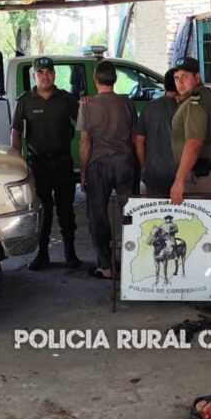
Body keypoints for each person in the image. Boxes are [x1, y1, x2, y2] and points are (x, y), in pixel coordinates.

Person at [11, 56, 82, 271]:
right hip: (38, 164)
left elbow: (84, 123)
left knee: (66, 210)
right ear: (34, 75)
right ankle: (42, 255)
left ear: (54, 75)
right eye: (40, 72)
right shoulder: (25, 101)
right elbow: (16, 132)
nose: (45, 76)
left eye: (49, 72)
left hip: (62, 162)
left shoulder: (66, 99)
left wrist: (88, 104)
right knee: (43, 211)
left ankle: (70, 254)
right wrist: (17, 163)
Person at [77, 60, 138, 279]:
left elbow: (85, 143)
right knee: (131, 212)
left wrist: (83, 171)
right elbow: (134, 137)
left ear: (95, 80)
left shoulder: (87, 106)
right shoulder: (127, 103)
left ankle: (106, 267)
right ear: (115, 79)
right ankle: (135, 262)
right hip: (125, 163)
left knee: (98, 215)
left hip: (98, 164)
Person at [169, 57, 211, 208]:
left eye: (185, 77)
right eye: (176, 78)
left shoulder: (195, 102)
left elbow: (194, 143)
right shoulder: (210, 96)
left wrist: (179, 180)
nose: (180, 82)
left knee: (194, 221)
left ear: (197, 77)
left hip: (201, 177)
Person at [134, 69, 179, 197]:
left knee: (156, 208)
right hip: (181, 172)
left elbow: (139, 141)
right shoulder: (187, 107)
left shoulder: (149, 107)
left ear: (165, 85)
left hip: (154, 171)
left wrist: (144, 166)